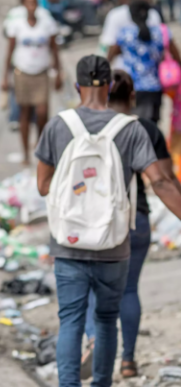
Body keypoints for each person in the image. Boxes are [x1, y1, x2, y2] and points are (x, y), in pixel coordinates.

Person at [36, 55, 181, 387]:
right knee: (105, 320)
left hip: (68, 242)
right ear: (110, 86)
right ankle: (102, 383)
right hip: (113, 244)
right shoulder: (130, 128)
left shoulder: (58, 125)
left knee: (71, 321)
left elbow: (43, 186)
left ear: (77, 86)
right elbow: (159, 181)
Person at [79, 70, 181, 380]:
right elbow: (164, 179)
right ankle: (128, 361)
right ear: (133, 97)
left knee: (91, 287)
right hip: (135, 218)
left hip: (95, 219)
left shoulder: (88, 127)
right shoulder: (146, 128)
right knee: (129, 290)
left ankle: (95, 339)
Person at [2, 0, 62, 165]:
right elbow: (9, 51)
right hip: (22, 73)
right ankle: (25, 153)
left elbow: (54, 50)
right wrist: (5, 77)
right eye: (28, 2)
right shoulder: (17, 25)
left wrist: (59, 73)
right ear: (23, 5)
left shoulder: (46, 24)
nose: (31, 6)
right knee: (25, 114)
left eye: (34, 2)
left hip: (42, 73)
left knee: (42, 113)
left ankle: (41, 147)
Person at [108, 0, 181, 123]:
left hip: (132, 89)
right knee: (152, 127)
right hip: (155, 88)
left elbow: (111, 56)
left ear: (131, 15)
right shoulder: (161, 32)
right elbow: (177, 56)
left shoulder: (125, 34)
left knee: (136, 127)